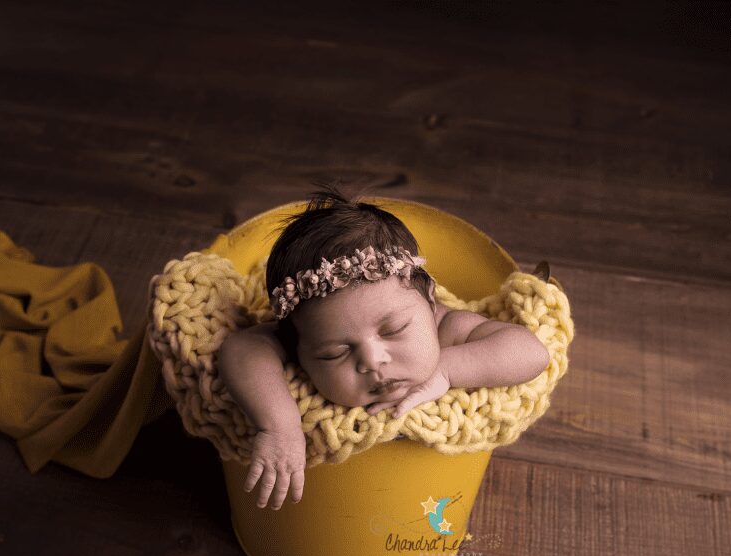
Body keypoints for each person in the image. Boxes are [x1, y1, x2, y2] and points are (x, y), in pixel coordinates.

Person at [217, 182, 550, 511]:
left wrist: (447, 370)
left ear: (429, 299)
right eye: (336, 352)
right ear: (298, 345)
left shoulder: (448, 328)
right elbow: (242, 348)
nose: (373, 361)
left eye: (394, 330)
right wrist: (279, 425)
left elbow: (531, 352)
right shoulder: (311, 332)